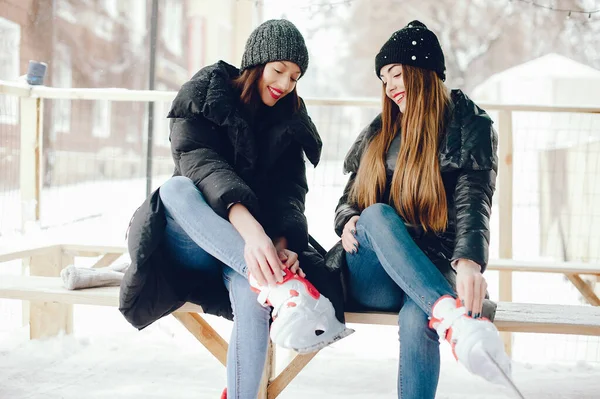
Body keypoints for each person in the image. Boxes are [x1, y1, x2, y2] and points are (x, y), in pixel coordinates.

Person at [119, 19, 352, 399]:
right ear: (255, 63)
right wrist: (253, 232)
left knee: (254, 297)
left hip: (245, 255)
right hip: (191, 244)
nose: (285, 84)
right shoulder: (206, 94)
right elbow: (201, 165)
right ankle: (278, 283)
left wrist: (280, 242)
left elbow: (289, 193)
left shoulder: (289, 119)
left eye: (295, 77)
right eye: (278, 70)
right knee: (176, 189)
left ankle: (270, 289)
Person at [328, 20, 511, 398]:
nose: (391, 85)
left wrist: (469, 264)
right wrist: (348, 219)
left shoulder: (468, 126)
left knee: (419, 316)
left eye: (397, 73)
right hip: (371, 271)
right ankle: (453, 317)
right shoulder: (380, 131)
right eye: (384, 78)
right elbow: (350, 199)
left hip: (430, 267)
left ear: (425, 72)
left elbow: (473, 200)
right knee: (377, 214)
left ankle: (440, 311)